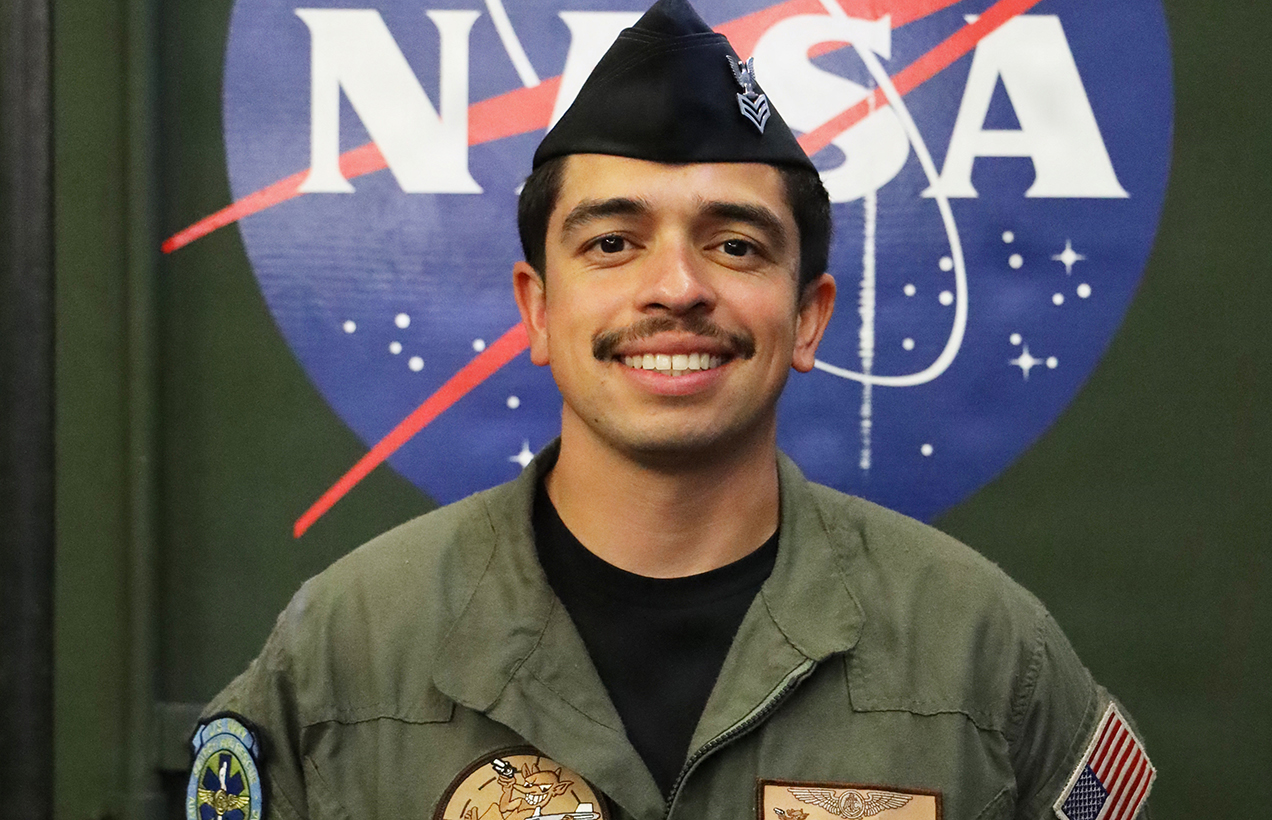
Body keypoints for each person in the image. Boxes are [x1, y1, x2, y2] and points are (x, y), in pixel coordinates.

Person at [187, 2, 1154, 819]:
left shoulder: (984, 651)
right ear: (537, 309)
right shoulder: (349, 650)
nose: (678, 287)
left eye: (735, 246)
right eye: (613, 243)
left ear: (809, 317)